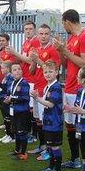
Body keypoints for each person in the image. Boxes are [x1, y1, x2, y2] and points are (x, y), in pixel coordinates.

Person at [54, 9, 85, 171]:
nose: (63, 26)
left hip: (82, 88)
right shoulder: (72, 38)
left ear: (67, 21)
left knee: (82, 128)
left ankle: (84, 166)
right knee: (71, 126)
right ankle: (75, 159)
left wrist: (65, 51)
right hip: (71, 87)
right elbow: (66, 63)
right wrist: (60, 50)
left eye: (63, 23)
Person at [27, 24, 61, 162]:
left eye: (46, 34)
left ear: (50, 35)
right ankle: (42, 146)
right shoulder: (36, 49)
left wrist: (37, 60)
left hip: (47, 90)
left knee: (46, 120)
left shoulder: (53, 50)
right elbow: (31, 71)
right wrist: (33, 62)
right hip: (37, 88)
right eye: (41, 34)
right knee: (38, 120)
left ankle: (49, 149)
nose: (43, 36)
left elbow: (52, 68)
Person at [31, 61, 64, 171]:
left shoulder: (56, 86)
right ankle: (51, 167)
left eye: (51, 71)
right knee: (50, 146)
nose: (48, 74)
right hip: (48, 121)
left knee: (55, 147)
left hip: (55, 122)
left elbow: (50, 104)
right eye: (45, 72)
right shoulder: (47, 86)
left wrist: (37, 98)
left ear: (56, 72)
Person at [6, 63, 31, 161]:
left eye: (19, 69)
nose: (17, 71)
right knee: (16, 131)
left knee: (22, 132)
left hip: (22, 112)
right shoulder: (12, 82)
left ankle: (23, 153)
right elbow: (8, 94)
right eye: (15, 70)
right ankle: (17, 150)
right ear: (11, 73)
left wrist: (11, 98)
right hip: (14, 111)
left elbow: (25, 98)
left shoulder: (24, 83)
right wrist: (7, 98)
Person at [0, 61, 14, 143]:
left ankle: (12, 136)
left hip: (6, 100)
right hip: (2, 99)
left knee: (8, 118)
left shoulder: (10, 77)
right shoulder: (5, 77)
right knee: (6, 118)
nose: (1, 70)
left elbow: (9, 90)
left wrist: (0, 84)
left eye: (3, 68)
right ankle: (8, 134)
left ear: (8, 69)